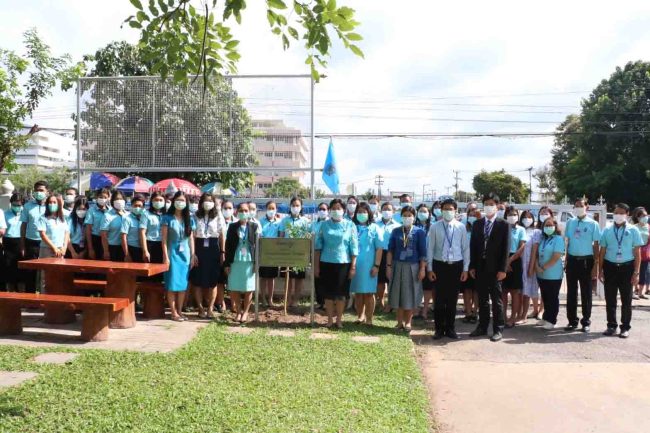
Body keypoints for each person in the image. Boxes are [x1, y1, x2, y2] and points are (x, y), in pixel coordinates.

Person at [468, 193, 511, 342]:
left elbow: (506, 249)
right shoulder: (477, 224)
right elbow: (473, 246)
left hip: (495, 269)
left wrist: (503, 269)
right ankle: (482, 326)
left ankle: (498, 329)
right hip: (480, 267)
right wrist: (472, 266)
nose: (489, 206)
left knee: (496, 299)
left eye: (492, 204)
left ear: (497, 206)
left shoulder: (503, 224)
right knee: (482, 299)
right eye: (486, 203)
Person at [598, 203, 643, 338]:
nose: (618, 215)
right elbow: (602, 251)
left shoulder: (633, 230)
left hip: (627, 268)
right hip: (610, 267)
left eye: (621, 213)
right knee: (610, 299)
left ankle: (625, 327)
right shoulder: (607, 230)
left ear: (627, 214)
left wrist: (636, 272)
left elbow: (637, 253)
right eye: (616, 212)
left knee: (626, 299)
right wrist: (599, 270)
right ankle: (611, 325)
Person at [427, 198, 469, 339]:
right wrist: (430, 269)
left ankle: (450, 329)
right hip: (439, 266)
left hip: (456, 267)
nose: (448, 211)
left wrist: (465, 269)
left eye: (451, 209)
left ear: (455, 211)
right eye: (445, 209)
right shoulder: (434, 227)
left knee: (452, 300)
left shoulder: (461, 227)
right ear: (441, 210)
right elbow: (430, 249)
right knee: (439, 300)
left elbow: (465, 249)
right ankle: (439, 329)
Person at [314, 198, 359, 328]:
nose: (336, 211)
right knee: (328, 294)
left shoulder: (350, 225)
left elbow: (354, 247)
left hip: (344, 264)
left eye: (338, 208)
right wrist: (316, 266)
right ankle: (329, 320)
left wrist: (353, 267)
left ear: (343, 210)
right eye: (333, 208)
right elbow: (318, 247)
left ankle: (339, 320)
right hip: (326, 263)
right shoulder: (324, 225)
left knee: (341, 295)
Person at [386, 205, 427, 333]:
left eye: (410, 215)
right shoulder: (396, 231)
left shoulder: (419, 232)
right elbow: (390, 250)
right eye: (405, 215)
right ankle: (399, 322)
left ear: (414, 218)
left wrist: (422, 269)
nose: (407, 218)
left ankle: (408, 322)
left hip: (413, 267)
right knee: (398, 294)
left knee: (410, 294)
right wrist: (388, 267)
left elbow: (423, 253)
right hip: (397, 265)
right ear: (401, 217)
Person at [564, 198, 601, 332]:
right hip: (572, 261)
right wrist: (566, 260)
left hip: (587, 261)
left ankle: (586, 321)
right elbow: (568, 242)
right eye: (576, 205)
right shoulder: (570, 222)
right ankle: (572, 321)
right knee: (571, 292)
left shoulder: (593, 224)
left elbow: (596, 245)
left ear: (587, 207)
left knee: (586, 293)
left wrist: (596, 265)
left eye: (581, 205)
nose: (578, 208)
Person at [162, 191, 197, 321]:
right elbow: (164, 240)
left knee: (183, 285)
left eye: (183, 200)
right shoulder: (167, 218)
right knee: (171, 284)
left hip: (185, 255)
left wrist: (193, 255)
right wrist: (166, 257)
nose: (180, 203)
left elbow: (191, 239)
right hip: (172, 254)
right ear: (173, 201)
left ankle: (180, 310)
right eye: (178, 200)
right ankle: (173, 312)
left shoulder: (190, 219)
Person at [191, 193, 226, 318]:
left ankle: (210, 308)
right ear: (201, 202)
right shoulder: (195, 215)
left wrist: (222, 252)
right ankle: (200, 308)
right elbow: (192, 236)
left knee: (213, 280)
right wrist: (193, 253)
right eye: (205, 200)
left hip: (213, 248)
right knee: (197, 280)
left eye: (210, 201)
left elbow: (222, 235)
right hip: (199, 247)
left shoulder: (218, 215)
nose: (208, 203)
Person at [224, 202, 259, 323]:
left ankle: (245, 312)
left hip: (249, 261)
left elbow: (258, 246)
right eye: (241, 210)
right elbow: (228, 246)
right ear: (237, 212)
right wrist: (227, 263)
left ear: (249, 212)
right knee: (234, 287)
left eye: (246, 210)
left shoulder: (254, 226)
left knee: (249, 287)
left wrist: (256, 263)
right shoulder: (232, 227)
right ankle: (238, 312)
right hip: (235, 261)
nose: (243, 213)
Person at [350, 202, 383, 325]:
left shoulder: (375, 227)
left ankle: (369, 319)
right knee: (358, 293)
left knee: (369, 293)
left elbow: (379, 248)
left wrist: (376, 265)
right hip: (355, 265)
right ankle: (360, 316)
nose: (361, 214)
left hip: (369, 266)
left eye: (364, 212)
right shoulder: (352, 227)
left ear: (369, 213)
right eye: (359, 212)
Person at [279, 197, 311, 307]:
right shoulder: (284, 221)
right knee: (288, 278)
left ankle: (296, 300)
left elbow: (308, 237)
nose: (295, 207)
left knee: (299, 278)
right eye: (293, 205)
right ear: (290, 207)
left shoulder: (306, 222)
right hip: (287, 254)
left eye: (297, 205)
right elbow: (281, 237)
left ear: (301, 207)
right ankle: (287, 300)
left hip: (300, 254)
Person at [535, 216, 565, 330]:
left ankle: (552, 320)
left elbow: (556, 256)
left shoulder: (558, 239)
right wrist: (537, 266)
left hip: (553, 274)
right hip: (542, 274)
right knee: (545, 296)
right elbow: (537, 254)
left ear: (555, 226)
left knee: (552, 297)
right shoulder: (543, 239)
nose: (548, 227)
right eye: (546, 225)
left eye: (551, 225)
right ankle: (545, 317)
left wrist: (543, 267)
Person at [20, 180, 49, 292]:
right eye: (36, 190)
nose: (38, 192)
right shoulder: (27, 206)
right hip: (31, 242)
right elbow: (23, 226)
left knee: (46, 273)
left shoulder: (51, 205)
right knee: (30, 273)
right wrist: (22, 245)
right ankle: (30, 299)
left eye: (41, 190)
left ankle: (46, 298)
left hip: (47, 243)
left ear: (47, 191)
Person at [502, 206, 527, 328]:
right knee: (503, 291)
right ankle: (503, 316)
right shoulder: (501, 227)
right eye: (509, 214)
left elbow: (521, 247)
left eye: (514, 214)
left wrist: (510, 261)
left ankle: (513, 317)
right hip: (502, 260)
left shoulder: (521, 230)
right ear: (506, 215)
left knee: (515, 292)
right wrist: (504, 262)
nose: (512, 216)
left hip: (515, 262)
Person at [376, 202, 400, 311]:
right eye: (384, 209)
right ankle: (380, 301)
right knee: (380, 280)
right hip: (379, 253)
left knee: (391, 280)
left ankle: (391, 303)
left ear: (393, 211)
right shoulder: (375, 224)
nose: (387, 211)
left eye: (389, 209)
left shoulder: (398, 226)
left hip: (393, 254)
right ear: (381, 211)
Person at [519, 209, 542, 323]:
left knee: (527, 292)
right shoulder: (519, 230)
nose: (527, 219)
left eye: (529, 217)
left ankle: (524, 316)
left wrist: (531, 267)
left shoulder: (536, 232)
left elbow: (535, 250)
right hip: (518, 265)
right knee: (519, 292)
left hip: (529, 265)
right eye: (524, 217)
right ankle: (518, 314)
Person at [259, 200, 282, 307]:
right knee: (263, 277)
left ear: (276, 210)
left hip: (274, 254)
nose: (271, 210)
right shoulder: (261, 221)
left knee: (271, 278)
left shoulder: (279, 222)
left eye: (273, 208)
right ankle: (262, 298)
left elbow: (280, 236)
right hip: (264, 252)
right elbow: (259, 236)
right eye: (269, 208)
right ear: (266, 209)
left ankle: (270, 299)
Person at [140, 191, 165, 281]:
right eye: (156, 200)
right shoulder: (146, 214)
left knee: (160, 276)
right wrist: (145, 250)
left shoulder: (166, 214)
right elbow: (142, 232)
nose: (158, 202)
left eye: (161, 200)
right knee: (149, 276)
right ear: (151, 201)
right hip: (150, 245)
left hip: (163, 246)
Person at [416, 203, 434, 320]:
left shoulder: (433, 227)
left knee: (427, 287)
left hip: (429, 261)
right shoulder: (412, 226)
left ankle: (425, 310)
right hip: (414, 261)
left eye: (425, 211)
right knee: (416, 286)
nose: (423, 214)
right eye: (421, 211)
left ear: (429, 214)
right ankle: (416, 309)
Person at [216, 199, 235, 313]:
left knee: (232, 279)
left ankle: (233, 303)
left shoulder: (237, 222)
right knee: (221, 280)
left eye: (230, 208)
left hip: (233, 254)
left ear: (233, 210)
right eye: (225, 208)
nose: (227, 210)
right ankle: (221, 302)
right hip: (221, 252)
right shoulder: (218, 221)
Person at [3, 193, 25, 291]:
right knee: (9, 269)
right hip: (9, 243)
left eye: (19, 205)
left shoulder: (25, 213)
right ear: (11, 203)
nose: (17, 207)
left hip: (22, 242)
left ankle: (22, 294)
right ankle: (11, 292)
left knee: (21, 270)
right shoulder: (5, 214)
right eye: (15, 205)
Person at [461, 206, 480, 323]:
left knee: (476, 289)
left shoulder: (482, 227)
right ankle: (468, 312)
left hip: (478, 262)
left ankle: (475, 312)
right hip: (465, 261)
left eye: (475, 215)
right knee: (467, 289)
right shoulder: (463, 228)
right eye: (470, 215)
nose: (472, 217)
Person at [36, 195, 69, 260]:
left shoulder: (62, 218)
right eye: (50, 202)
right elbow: (43, 235)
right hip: (47, 249)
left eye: (54, 202)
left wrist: (64, 247)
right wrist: (54, 248)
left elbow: (66, 232)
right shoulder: (43, 218)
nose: (52, 204)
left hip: (60, 250)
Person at [101, 191, 129, 262]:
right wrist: (106, 251)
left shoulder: (128, 215)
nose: (119, 201)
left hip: (127, 248)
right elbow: (103, 235)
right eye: (116, 199)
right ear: (113, 201)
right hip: (113, 248)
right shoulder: (107, 215)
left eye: (121, 199)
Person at [86, 188, 111, 260]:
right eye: (100, 197)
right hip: (95, 240)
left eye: (105, 197)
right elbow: (88, 230)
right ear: (96, 197)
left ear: (108, 198)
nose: (103, 199)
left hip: (107, 240)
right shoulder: (91, 211)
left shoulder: (110, 211)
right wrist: (90, 248)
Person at [121, 194, 146, 262]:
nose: (137, 207)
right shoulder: (127, 219)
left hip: (144, 249)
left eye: (140, 206)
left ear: (143, 207)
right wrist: (127, 254)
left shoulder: (145, 218)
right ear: (131, 206)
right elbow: (123, 237)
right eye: (135, 205)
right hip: (132, 249)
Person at [632, 207, 649, 300]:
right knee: (635, 271)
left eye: (646, 215)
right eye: (643, 216)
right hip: (635, 252)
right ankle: (633, 291)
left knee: (644, 273)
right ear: (638, 217)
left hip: (646, 253)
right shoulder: (634, 227)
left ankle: (640, 293)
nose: (645, 217)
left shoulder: (648, 227)